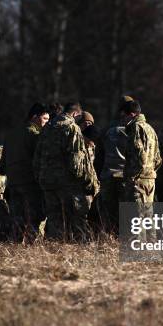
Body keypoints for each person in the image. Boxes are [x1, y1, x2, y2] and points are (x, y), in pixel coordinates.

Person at [33, 102, 99, 242]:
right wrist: (85, 181)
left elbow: (37, 157)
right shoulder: (72, 128)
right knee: (77, 222)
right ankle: (77, 254)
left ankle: (51, 254)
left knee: (54, 222)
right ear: (75, 114)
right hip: (68, 184)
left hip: (48, 183)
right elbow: (76, 163)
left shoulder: (47, 128)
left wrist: (40, 177)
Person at [2, 103, 49, 243]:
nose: (47, 122)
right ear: (35, 117)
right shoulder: (35, 135)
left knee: (17, 220)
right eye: (45, 119)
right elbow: (41, 160)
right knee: (35, 219)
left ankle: (14, 250)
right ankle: (31, 250)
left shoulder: (11, 135)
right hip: (31, 185)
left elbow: (3, 163)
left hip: (13, 185)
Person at [123, 100, 161, 242]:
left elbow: (141, 156)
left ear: (131, 115)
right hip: (150, 179)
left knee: (137, 217)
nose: (123, 120)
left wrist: (135, 175)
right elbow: (158, 158)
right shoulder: (150, 129)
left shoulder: (136, 128)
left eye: (124, 116)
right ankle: (151, 247)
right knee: (148, 216)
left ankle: (139, 250)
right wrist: (150, 172)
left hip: (138, 179)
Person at [95, 96, 133, 232]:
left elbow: (98, 157)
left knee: (108, 216)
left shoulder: (106, 130)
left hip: (108, 177)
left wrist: (100, 175)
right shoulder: (134, 130)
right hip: (126, 178)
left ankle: (109, 241)